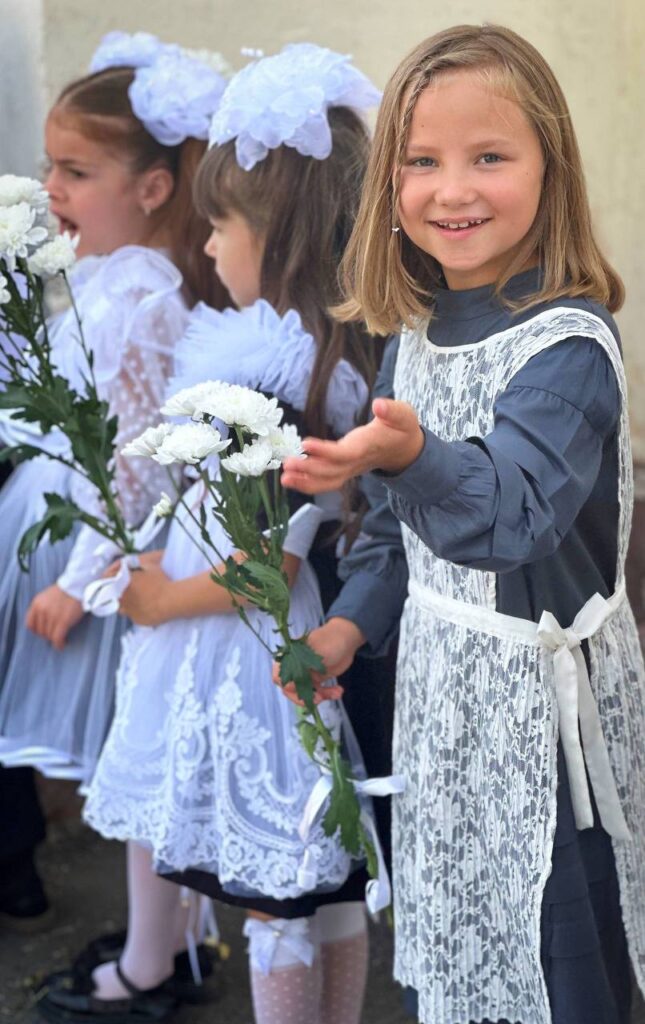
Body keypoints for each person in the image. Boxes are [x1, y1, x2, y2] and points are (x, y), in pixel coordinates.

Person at [279, 23, 645, 1024]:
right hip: (446, 702)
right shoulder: (413, 335)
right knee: (472, 943)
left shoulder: (569, 342)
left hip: (546, 718)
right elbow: (405, 534)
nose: (454, 190)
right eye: (423, 163)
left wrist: (410, 455)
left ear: (550, 168)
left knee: (560, 947)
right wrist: (348, 626)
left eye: (490, 157)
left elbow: (512, 515)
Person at [43, 44, 386, 1024]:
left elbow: (263, 561)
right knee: (324, 894)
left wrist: (152, 596)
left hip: (251, 659)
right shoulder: (324, 358)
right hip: (269, 648)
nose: (212, 246)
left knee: (279, 899)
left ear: (274, 239)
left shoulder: (268, 373)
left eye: (226, 224)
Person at [0, 31, 227, 945]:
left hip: (92, 551)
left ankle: (159, 953)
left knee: (139, 767)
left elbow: (136, 470)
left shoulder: (143, 301)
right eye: (50, 167)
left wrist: (79, 583)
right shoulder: (104, 277)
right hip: (55, 523)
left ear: (153, 187)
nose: (52, 189)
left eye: (76, 171)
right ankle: (160, 949)